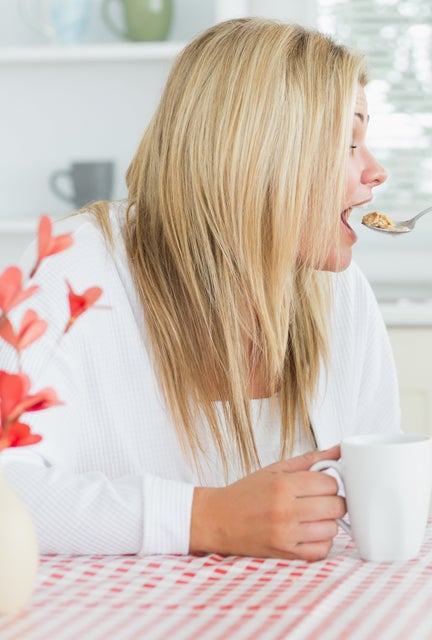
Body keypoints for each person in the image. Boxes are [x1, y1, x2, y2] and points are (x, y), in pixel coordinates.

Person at [0, 18, 399, 560]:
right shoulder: (76, 267)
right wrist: (204, 519)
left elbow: (377, 491)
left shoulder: (341, 293)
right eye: (347, 143)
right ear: (261, 152)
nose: (376, 171)